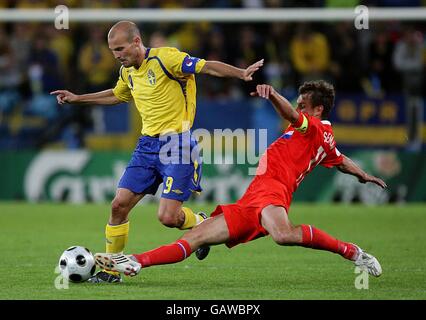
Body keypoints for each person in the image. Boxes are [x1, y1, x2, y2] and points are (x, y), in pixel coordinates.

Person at [94, 80, 387, 279]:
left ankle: (352, 252)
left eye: (302, 105)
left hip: (273, 193)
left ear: (317, 110)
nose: (297, 110)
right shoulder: (324, 140)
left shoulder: (313, 129)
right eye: (297, 105)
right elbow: (339, 157)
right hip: (251, 200)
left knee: (283, 235)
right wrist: (363, 174)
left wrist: (272, 95)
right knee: (194, 238)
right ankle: (134, 260)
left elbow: (290, 115)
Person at [51, 21, 264, 283]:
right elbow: (118, 95)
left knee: (167, 217)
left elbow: (206, 66)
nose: (116, 55)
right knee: (118, 206)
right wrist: (78, 98)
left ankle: (200, 223)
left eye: (120, 48)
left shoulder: (167, 58)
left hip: (178, 145)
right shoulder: (127, 72)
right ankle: (110, 272)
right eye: (112, 50)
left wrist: (241, 73)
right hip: (146, 146)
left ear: (137, 42)